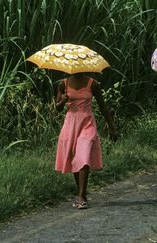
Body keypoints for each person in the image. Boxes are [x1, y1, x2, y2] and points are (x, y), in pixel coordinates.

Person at [55, 73, 117, 209]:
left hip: (87, 123)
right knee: (74, 159)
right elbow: (57, 108)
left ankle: (82, 196)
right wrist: (63, 101)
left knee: (83, 156)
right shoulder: (63, 84)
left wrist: (112, 127)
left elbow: (102, 106)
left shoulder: (93, 84)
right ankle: (80, 193)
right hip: (71, 124)